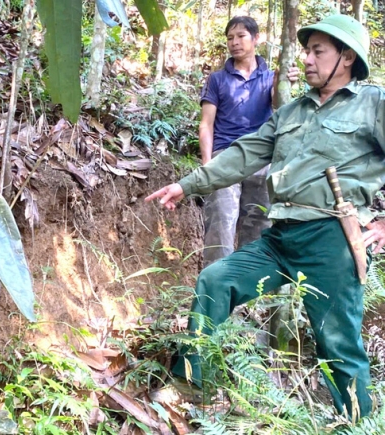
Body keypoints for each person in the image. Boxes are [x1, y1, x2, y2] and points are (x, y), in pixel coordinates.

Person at [146, 14, 385, 419]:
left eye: (318, 51)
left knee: (338, 344)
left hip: (332, 240)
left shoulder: (372, 103)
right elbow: (244, 153)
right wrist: (188, 184)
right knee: (216, 280)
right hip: (281, 237)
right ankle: (191, 387)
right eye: (307, 50)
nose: (306, 59)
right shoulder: (292, 112)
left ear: (346, 57)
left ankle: (359, 424)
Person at [199, 16, 299, 266]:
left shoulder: (271, 77)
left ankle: (250, 297)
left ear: (256, 39)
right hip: (226, 157)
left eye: (241, 36)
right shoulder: (217, 79)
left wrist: (282, 83)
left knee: (258, 227)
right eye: (230, 38)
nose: (234, 42)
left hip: (261, 159)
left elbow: (278, 105)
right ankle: (216, 292)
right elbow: (206, 124)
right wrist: (207, 165)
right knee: (220, 224)